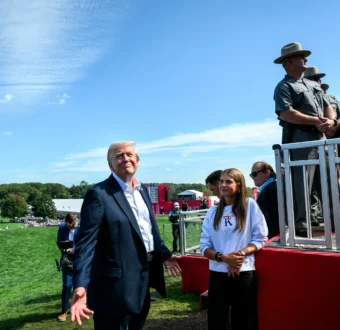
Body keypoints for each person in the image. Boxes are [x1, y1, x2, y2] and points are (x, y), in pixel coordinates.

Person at [70, 141, 181, 330]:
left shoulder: (142, 190)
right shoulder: (98, 194)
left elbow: (146, 230)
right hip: (113, 288)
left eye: (129, 155)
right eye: (119, 156)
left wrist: (166, 255)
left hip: (141, 279)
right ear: (110, 165)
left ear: (137, 161)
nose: (125, 159)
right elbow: (86, 244)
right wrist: (81, 285)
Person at [273, 42, 336, 237]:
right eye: (301, 56)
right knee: (302, 184)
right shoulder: (283, 86)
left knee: (330, 181)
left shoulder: (311, 84)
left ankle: (335, 220)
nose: (306, 59)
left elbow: (328, 106)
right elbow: (286, 113)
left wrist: (331, 121)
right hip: (301, 138)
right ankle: (302, 224)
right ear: (290, 61)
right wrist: (317, 121)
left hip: (323, 138)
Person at [200, 168, 268, 330]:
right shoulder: (212, 212)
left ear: (239, 185)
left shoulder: (249, 205)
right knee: (217, 320)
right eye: (221, 181)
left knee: (244, 319)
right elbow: (204, 246)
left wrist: (238, 256)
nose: (223, 185)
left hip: (243, 272)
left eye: (228, 181)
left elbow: (260, 238)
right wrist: (224, 258)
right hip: (217, 274)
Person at [56, 213, 80, 322]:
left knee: (78, 286)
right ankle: (64, 311)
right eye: (70, 225)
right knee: (66, 286)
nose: (73, 226)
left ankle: (78, 308)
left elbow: (87, 243)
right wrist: (64, 249)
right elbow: (58, 242)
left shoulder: (82, 227)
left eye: (74, 224)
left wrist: (75, 249)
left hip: (79, 260)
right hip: (66, 260)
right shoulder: (62, 228)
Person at [250, 162, 279, 239]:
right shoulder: (273, 187)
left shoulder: (270, 190)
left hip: (271, 237)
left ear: (267, 172)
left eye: (254, 174)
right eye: (251, 175)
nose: (253, 177)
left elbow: (269, 220)